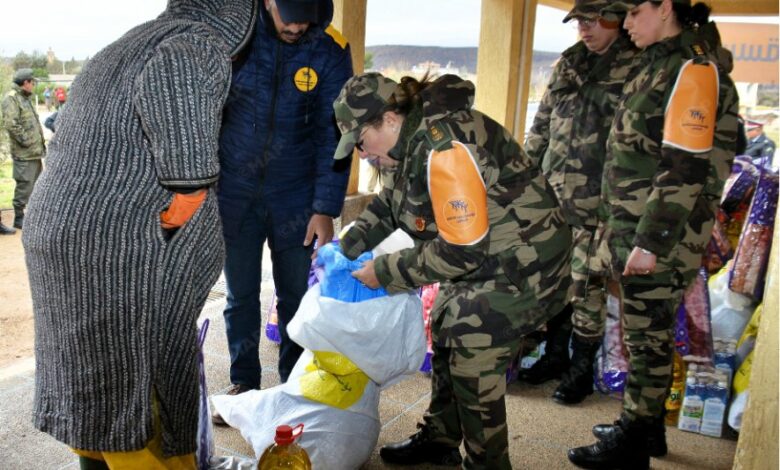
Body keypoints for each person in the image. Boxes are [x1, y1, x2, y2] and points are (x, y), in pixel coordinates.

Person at [21, 1, 257, 467]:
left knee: (96, 390)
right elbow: (189, 181)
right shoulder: (193, 47)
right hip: (111, 254)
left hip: (64, 239)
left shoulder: (127, 43)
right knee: (139, 389)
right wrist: (162, 233)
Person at [333, 72, 572, 469]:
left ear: (389, 119)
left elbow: (462, 252)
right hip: (489, 253)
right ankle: (440, 438)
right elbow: (390, 203)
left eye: (361, 141)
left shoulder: (445, 149)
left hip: (525, 262)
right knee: (446, 324)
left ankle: (486, 463)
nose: (361, 154)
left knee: (472, 353)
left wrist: (386, 271)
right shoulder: (405, 143)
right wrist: (345, 248)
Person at [567, 1, 739, 468]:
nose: (625, 23)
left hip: (661, 231)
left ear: (665, 8)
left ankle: (633, 441)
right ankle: (645, 428)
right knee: (648, 333)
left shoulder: (692, 69)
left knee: (645, 337)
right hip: (638, 224)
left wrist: (650, 243)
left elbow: (684, 166)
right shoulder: (661, 63)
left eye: (634, 11)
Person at [213, 0, 353, 422]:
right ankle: (244, 383)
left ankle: (294, 385)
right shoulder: (236, 35)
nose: (297, 27)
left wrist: (324, 208)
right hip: (234, 191)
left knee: (295, 295)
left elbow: (335, 134)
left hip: (297, 196)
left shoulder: (329, 48)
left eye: (306, 18)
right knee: (239, 294)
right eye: (289, 16)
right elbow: (207, 112)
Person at [521, 0, 640, 407]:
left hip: (598, 202)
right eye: (579, 22)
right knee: (556, 282)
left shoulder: (636, 65)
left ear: (615, 18)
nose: (584, 29)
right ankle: (555, 357)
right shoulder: (568, 63)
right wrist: (524, 181)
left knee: (586, 286)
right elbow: (541, 126)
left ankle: (581, 369)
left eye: (592, 21)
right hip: (554, 197)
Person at [1, 68, 46, 230]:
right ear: (25, 82)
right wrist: (27, 142)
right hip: (24, 153)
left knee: (36, 185)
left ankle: (33, 216)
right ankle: (19, 218)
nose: (33, 85)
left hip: (34, 152)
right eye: (32, 82)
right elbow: (11, 124)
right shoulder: (12, 99)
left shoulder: (24, 98)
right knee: (24, 186)